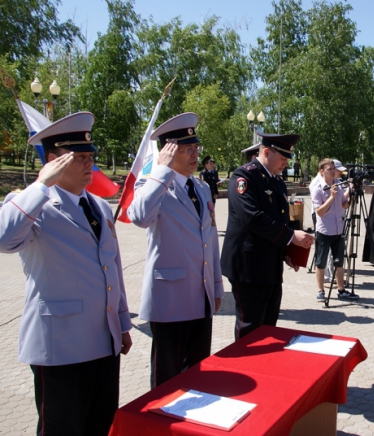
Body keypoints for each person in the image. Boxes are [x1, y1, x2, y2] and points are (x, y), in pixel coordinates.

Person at [0, 112, 132, 435]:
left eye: (91, 156)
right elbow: (4, 239)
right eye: (80, 158)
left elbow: (112, 268)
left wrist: (123, 323)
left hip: (104, 344)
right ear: (53, 161)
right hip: (60, 349)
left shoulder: (98, 207)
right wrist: (42, 183)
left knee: (98, 426)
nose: (90, 164)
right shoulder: (32, 205)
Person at [127, 112, 224, 388]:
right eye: (186, 149)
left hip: (200, 295)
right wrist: (161, 170)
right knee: (167, 379)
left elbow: (210, 241)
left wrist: (216, 287)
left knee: (197, 374)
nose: (195, 155)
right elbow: (140, 216)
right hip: (169, 300)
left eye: (196, 148)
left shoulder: (202, 188)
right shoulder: (152, 184)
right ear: (169, 152)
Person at [221, 132, 314, 340]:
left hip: (270, 266)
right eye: (282, 158)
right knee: (251, 327)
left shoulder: (278, 182)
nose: (285, 164)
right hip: (248, 267)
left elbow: (282, 220)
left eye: (287, 159)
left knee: (269, 326)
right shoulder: (244, 177)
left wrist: (287, 253)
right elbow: (252, 218)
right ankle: (244, 369)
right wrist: (291, 236)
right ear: (265, 152)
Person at [311, 158, 357, 302]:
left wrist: (351, 195)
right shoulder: (318, 187)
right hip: (324, 230)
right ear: (322, 171)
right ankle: (320, 291)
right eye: (329, 169)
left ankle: (341, 290)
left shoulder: (339, 184)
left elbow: (343, 205)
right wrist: (331, 197)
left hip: (338, 229)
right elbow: (319, 212)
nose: (333, 171)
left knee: (339, 262)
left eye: (333, 169)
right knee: (321, 262)